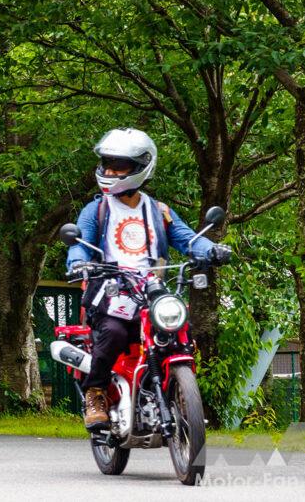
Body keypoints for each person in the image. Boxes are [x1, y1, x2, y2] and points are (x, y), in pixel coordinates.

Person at [65, 128, 232, 430]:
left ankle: (179, 392)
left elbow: (188, 240)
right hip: (111, 292)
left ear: (141, 168)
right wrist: (78, 263)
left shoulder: (159, 211)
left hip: (152, 292)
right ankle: (97, 392)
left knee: (180, 330)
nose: (110, 171)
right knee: (114, 333)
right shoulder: (96, 210)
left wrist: (213, 250)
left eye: (119, 166)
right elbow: (79, 243)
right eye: (107, 164)